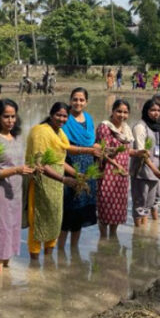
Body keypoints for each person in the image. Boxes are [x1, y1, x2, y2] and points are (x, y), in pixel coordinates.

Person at [23, 102, 89, 261]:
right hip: (41, 183)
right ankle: (33, 263)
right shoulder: (40, 132)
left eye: (65, 116)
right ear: (51, 114)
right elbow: (40, 165)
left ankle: (49, 260)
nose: (61, 119)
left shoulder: (59, 134)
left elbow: (60, 161)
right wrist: (64, 179)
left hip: (56, 186)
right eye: (58, 115)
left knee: (55, 220)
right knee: (38, 222)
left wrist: (76, 175)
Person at [0, 99, 32, 276]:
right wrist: (16, 170)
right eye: (6, 117)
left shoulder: (18, 139)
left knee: (12, 230)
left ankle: (6, 279)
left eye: (13, 116)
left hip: (15, 194)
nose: (10, 120)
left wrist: (32, 168)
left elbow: (22, 163)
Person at [59, 88, 98, 249]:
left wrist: (103, 150)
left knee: (81, 211)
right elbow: (63, 146)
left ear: (86, 102)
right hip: (70, 166)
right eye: (75, 99)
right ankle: (60, 249)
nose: (78, 103)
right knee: (68, 211)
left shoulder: (88, 119)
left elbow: (90, 143)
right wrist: (89, 150)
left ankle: (74, 248)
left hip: (88, 167)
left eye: (81, 100)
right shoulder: (63, 119)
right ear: (70, 100)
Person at [95, 100, 134, 239]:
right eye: (119, 111)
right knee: (105, 204)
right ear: (112, 111)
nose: (122, 115)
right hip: (107, 172)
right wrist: (117, 166)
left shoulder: (127, 130)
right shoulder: (105, 127)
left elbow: (126, 152)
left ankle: (113, 235)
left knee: (118, 206)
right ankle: (103, 237)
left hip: (122, 175)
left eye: (125, 112)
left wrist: (139, 153)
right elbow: (102, 152)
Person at [130, 99, 160, 227]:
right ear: (146, 111)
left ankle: (144, 230)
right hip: (142, 171)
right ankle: (138, 232)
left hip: (155, 170)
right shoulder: (140, 126)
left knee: (149, 203)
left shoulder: (158, 127)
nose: (156, 113)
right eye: (152, 110)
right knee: (140, 203)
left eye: (158, 110)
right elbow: (141, 152)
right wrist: (155, 170)